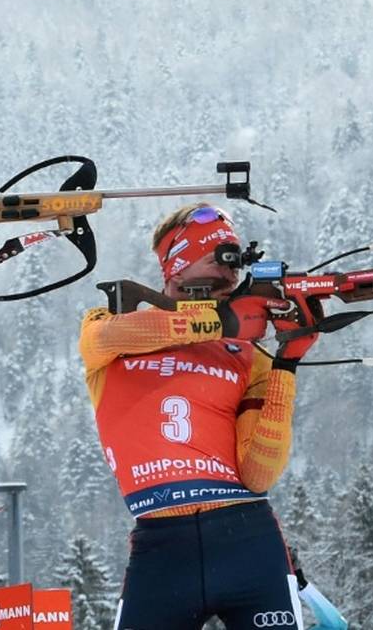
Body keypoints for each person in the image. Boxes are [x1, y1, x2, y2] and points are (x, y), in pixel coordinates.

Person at [79, 203, 319, 629]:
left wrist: (286, 364)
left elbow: (258, 473)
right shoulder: (108, 322)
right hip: (160, 544)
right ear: (178, 265)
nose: (229, 278)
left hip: (246, 532)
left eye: (233, 269)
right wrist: (219, 320)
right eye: (217, 261)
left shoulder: (249, 350)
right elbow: (116, 335)